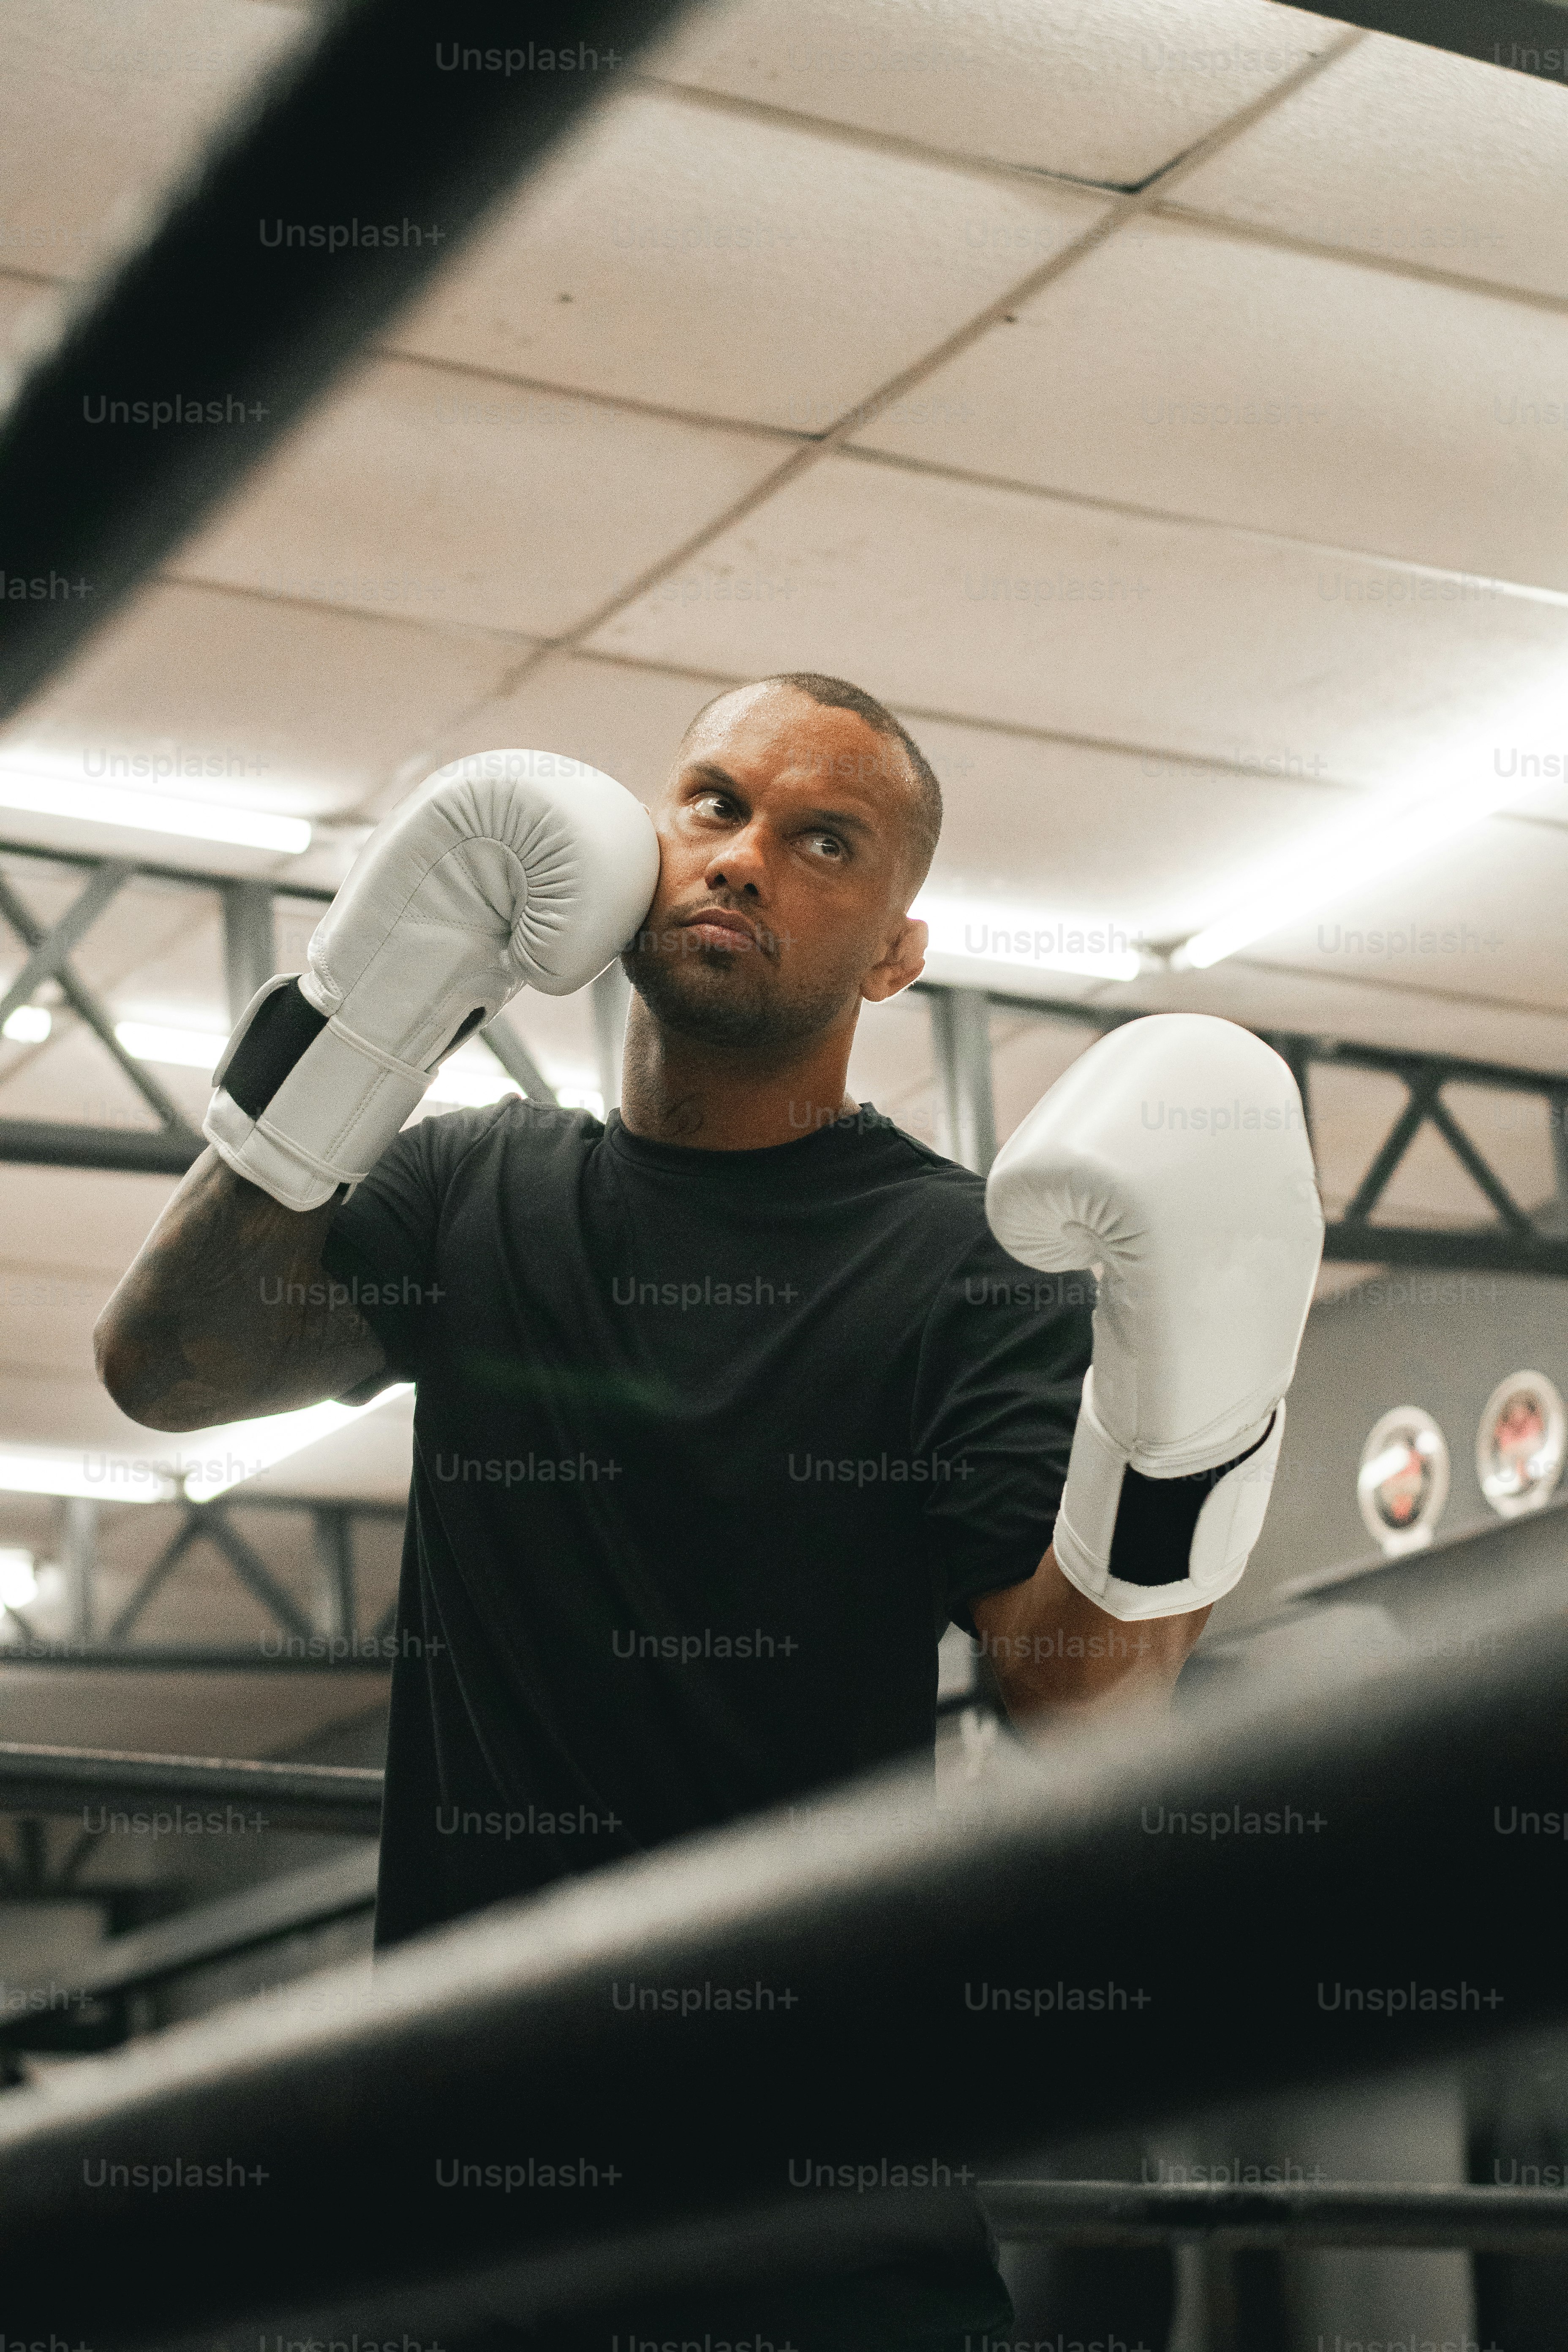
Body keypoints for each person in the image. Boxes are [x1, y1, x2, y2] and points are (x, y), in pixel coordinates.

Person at [95, 672, 1320, 2351]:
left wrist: (1190, 1420)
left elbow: (1080, 1703)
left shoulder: (973, 1266)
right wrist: (364, 1011)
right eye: (713, 806)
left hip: (809, 2180)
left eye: (824, 841)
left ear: (895, 951)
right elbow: (169, 1365)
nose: (743, 861)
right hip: (464, 2171)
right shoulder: (473, 1185)